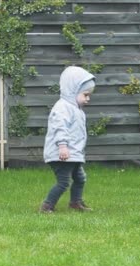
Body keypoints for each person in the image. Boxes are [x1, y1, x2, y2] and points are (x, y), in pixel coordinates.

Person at [40, 66, 95, 213]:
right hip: (61, 154)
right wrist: (63, 146)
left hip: (73, 154)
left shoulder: (78, 110)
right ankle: (47, 206)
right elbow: (59, 128)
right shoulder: (62, 108)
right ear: (73, 91)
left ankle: (75, 203)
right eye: (85, 95)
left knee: (80, 178)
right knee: (64, 182)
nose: (88, 98)